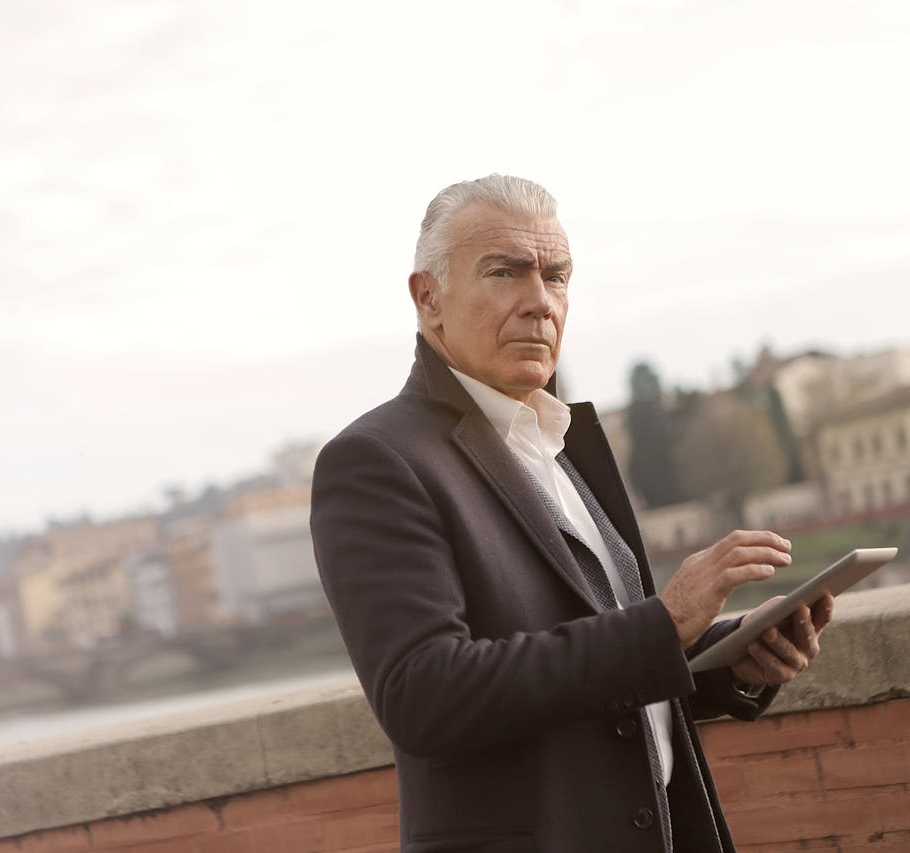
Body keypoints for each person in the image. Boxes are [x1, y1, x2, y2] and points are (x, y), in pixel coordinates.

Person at [309, 175, 833, 853]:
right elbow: (426, 696)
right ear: (428, 297)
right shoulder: (375, 461)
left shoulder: (560, 444)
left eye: (557, 277)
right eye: (505, 272)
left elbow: (603, 676)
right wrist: (665, 622)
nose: (539, 302)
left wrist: (728, 660)